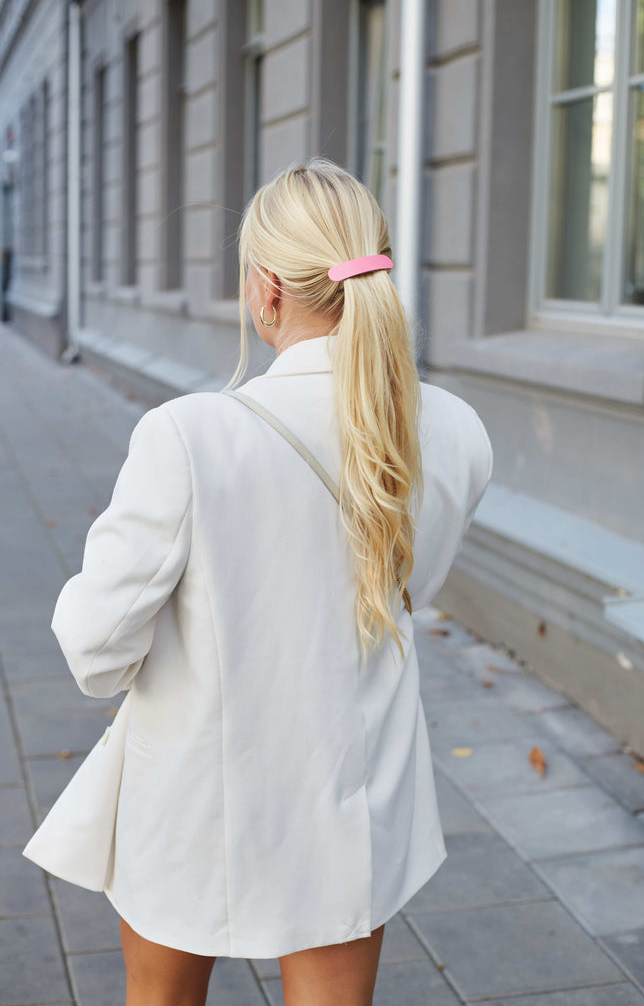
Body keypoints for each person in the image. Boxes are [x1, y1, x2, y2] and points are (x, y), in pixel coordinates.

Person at [43, 158, 493, 1005]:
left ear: (266, 291)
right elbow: (409, 587)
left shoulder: (189, 435)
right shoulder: (455, 429)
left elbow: (95, 652)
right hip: (353, 793)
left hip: (195, 796)